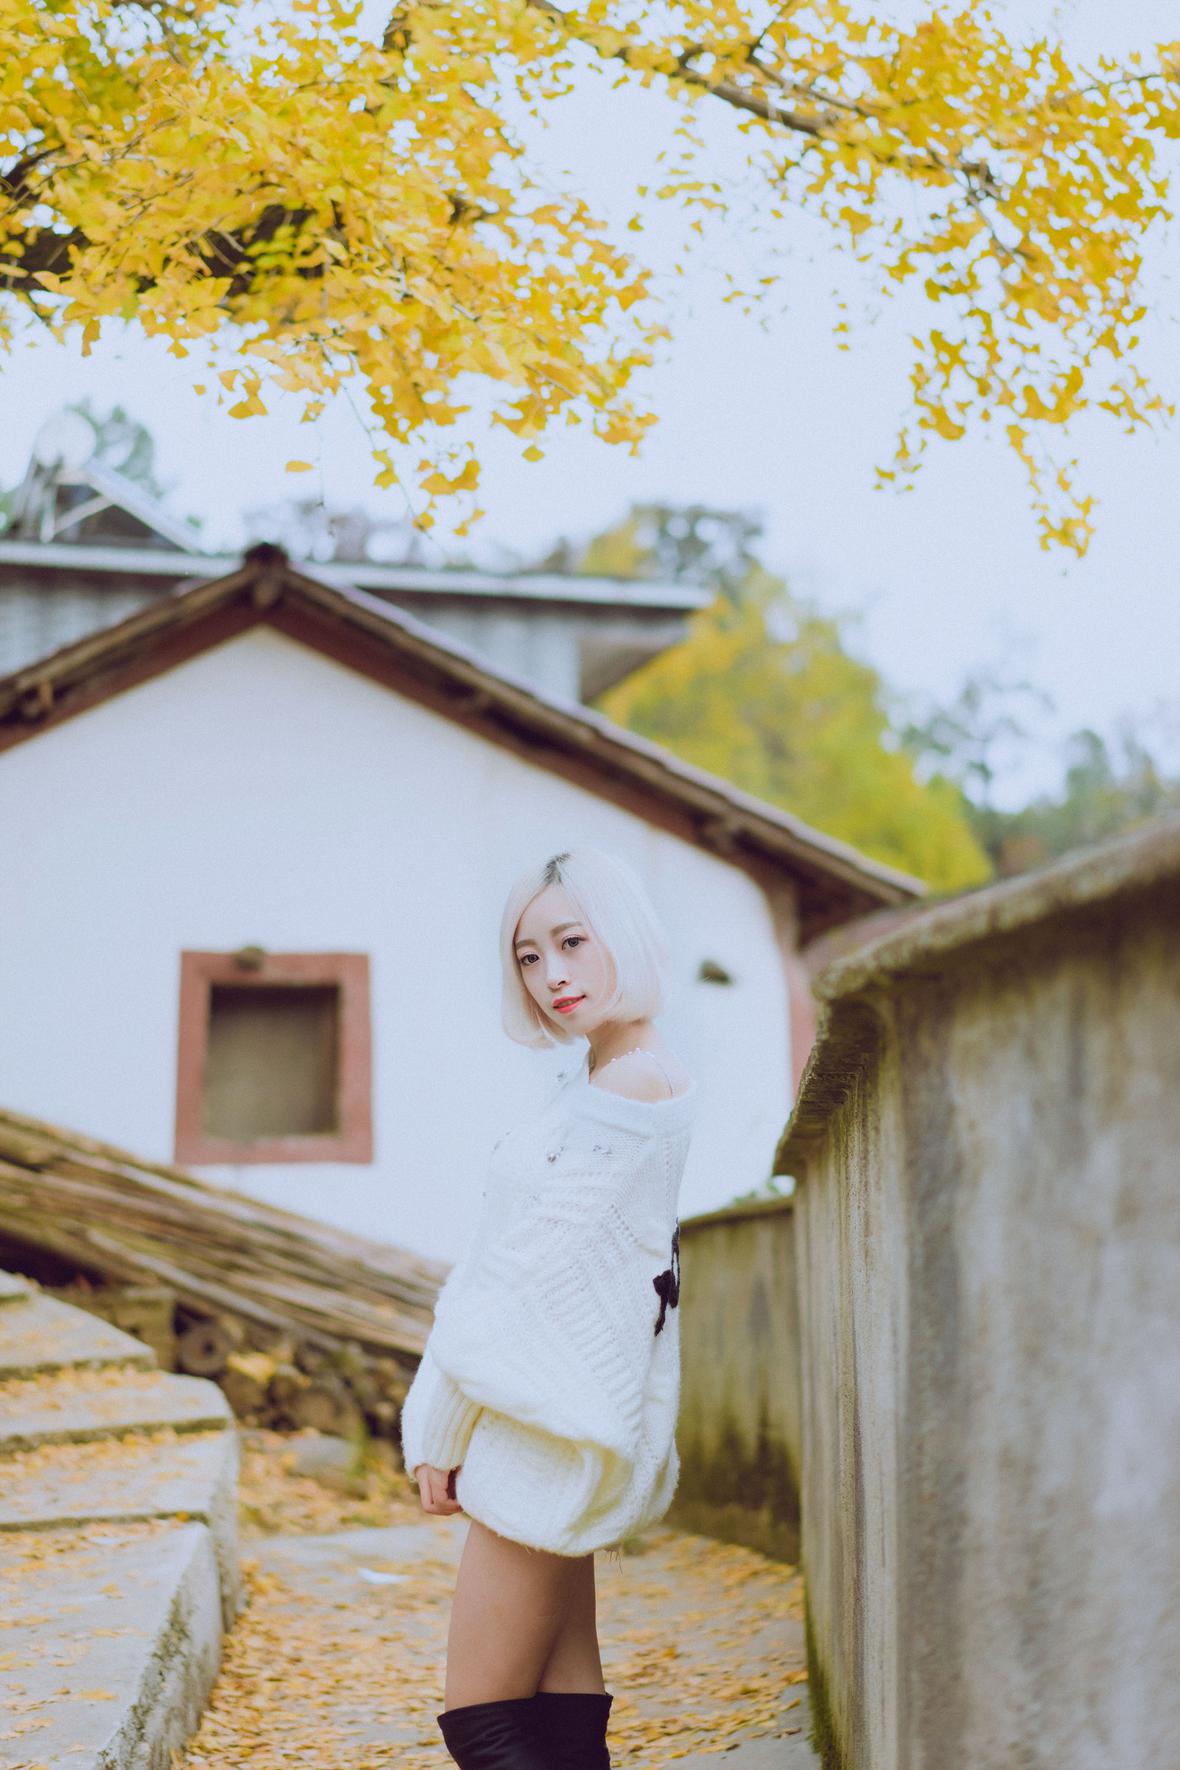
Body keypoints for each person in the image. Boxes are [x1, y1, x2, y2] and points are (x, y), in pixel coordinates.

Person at [399, 844, 698, 1769]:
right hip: (560, 1418)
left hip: (547, 1425)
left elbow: (519, 1278)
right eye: (529, 956)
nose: (551, 975)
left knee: (483, 1718)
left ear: (623, 935)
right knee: (560, 1709)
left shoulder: (631, 1085)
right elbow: (503, 1256)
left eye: (572, 942)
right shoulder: (602, 1079)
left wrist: (439, 1426)